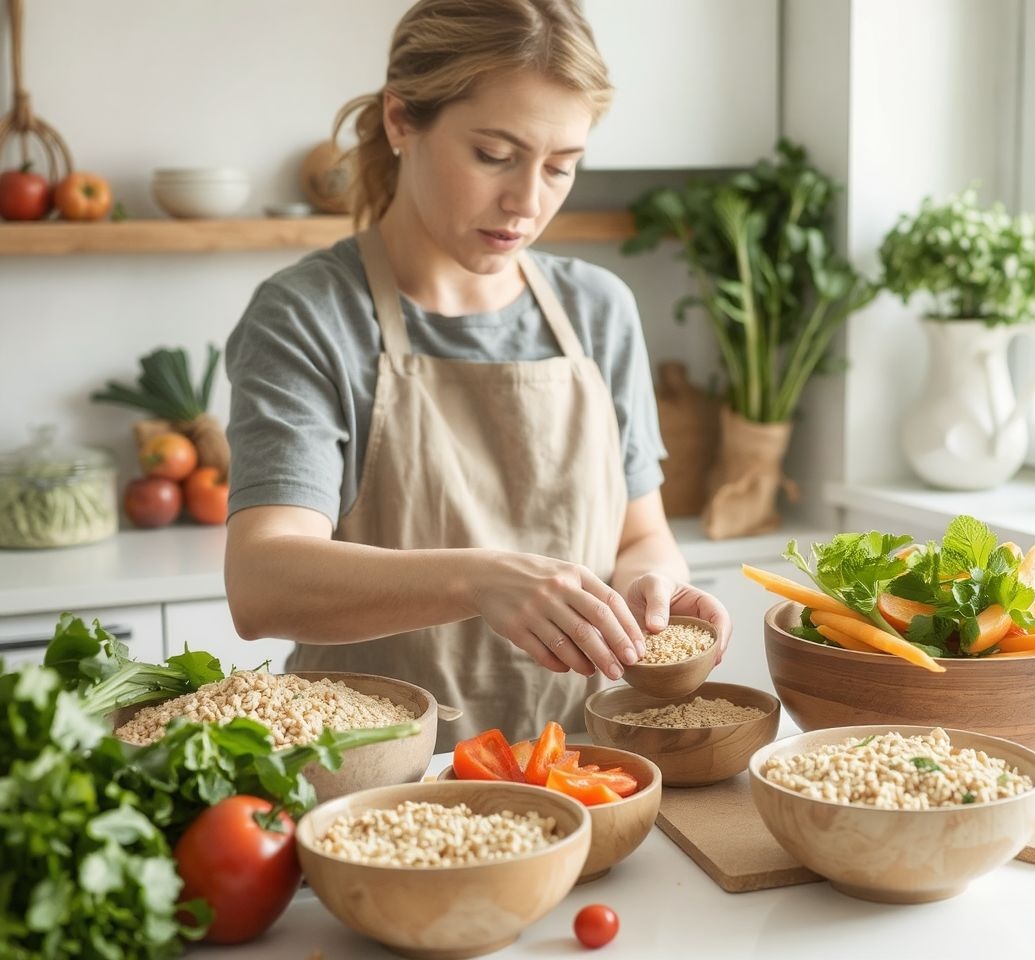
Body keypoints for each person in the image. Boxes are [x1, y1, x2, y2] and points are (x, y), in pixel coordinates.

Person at [223, 0, 731, 749]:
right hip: (375, 782)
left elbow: (641, 534)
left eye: (561, 168)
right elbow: (262, 581)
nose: (528, 203)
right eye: (494, 155)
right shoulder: (309, 314)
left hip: (583, 768)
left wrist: (653, 587)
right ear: (401, 119)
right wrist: (477, 580)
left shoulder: (599, 310)